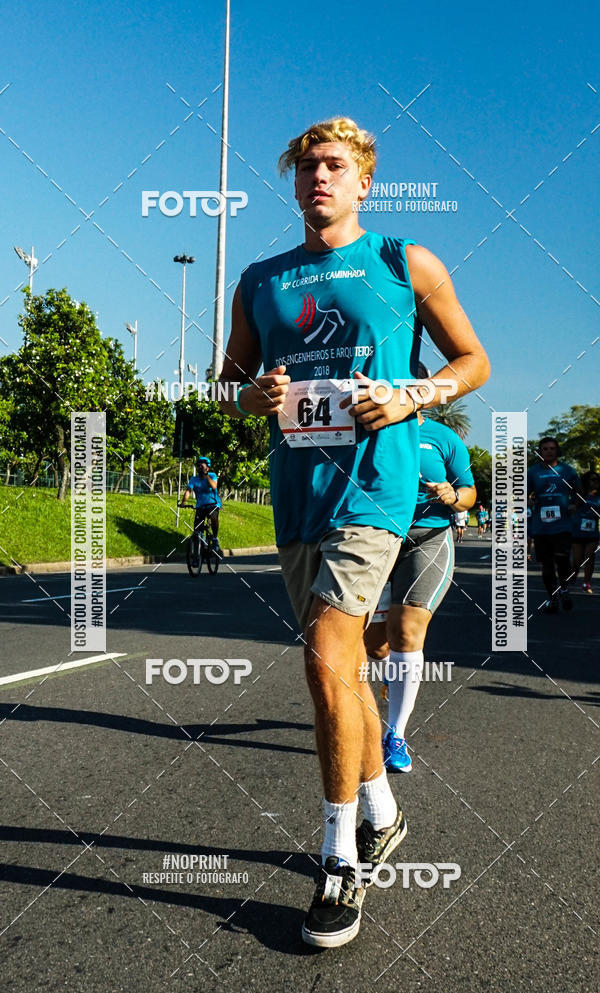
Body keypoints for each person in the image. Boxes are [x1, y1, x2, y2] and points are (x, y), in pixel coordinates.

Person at [218, 116, 490, 949]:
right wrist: (250, 397)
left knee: (325, 658)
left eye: (333, 165)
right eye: (305, 168)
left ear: (365, 178)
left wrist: (414, 395)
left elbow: (473, 360)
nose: (317, 179)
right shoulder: (261, 280)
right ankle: (382, 809)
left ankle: (339, 858)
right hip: (296, 497)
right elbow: (226, 379)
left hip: (376, 492)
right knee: (342, 671)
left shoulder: (404, 263)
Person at [364, 409, 476, 772]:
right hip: (377, 538)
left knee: (407, 631)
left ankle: (395, 734)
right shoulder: (363, 428)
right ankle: (392, 677)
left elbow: (469, 493)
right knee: (376, 644)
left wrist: (452, 495)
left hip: (428, 537)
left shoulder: (444, 438)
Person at [528, 437, 579, 613]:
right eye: (545, 449)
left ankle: (564, 589)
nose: (549, 451)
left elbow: (579, 493)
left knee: (562, 560)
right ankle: (553, 598)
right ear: (540, 452)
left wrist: (573, 504)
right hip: (541, 526)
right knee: (547, 565)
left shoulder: (567, 471)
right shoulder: (533, 472)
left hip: (562, 525)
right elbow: (522, 493)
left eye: (552, 448)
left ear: (557, 451)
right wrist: (528, 502)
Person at [180, 456, 222, 559]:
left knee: (213, 517)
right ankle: (197, 554)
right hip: (201, 506)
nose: (200, 468)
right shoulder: (194, 479)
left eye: (202, 466)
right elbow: (188, 491)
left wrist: (206, 475)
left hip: (213, 504)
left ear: (207, 468)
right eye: (198, 466)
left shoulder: (212, 475)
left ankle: (215, 539)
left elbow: (214, 486)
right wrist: (183, 502)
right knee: (197, 530)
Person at [570, 470, 599, 593]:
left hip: (592, 533)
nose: (596, 482)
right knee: (577, 560)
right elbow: (570, 508)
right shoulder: (579, 494)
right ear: (587, 481)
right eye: (593, 479)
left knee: (589, 557)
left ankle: (586, 583)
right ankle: (573, 574)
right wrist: (576, 505)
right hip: (577, 532)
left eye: (597, 479)